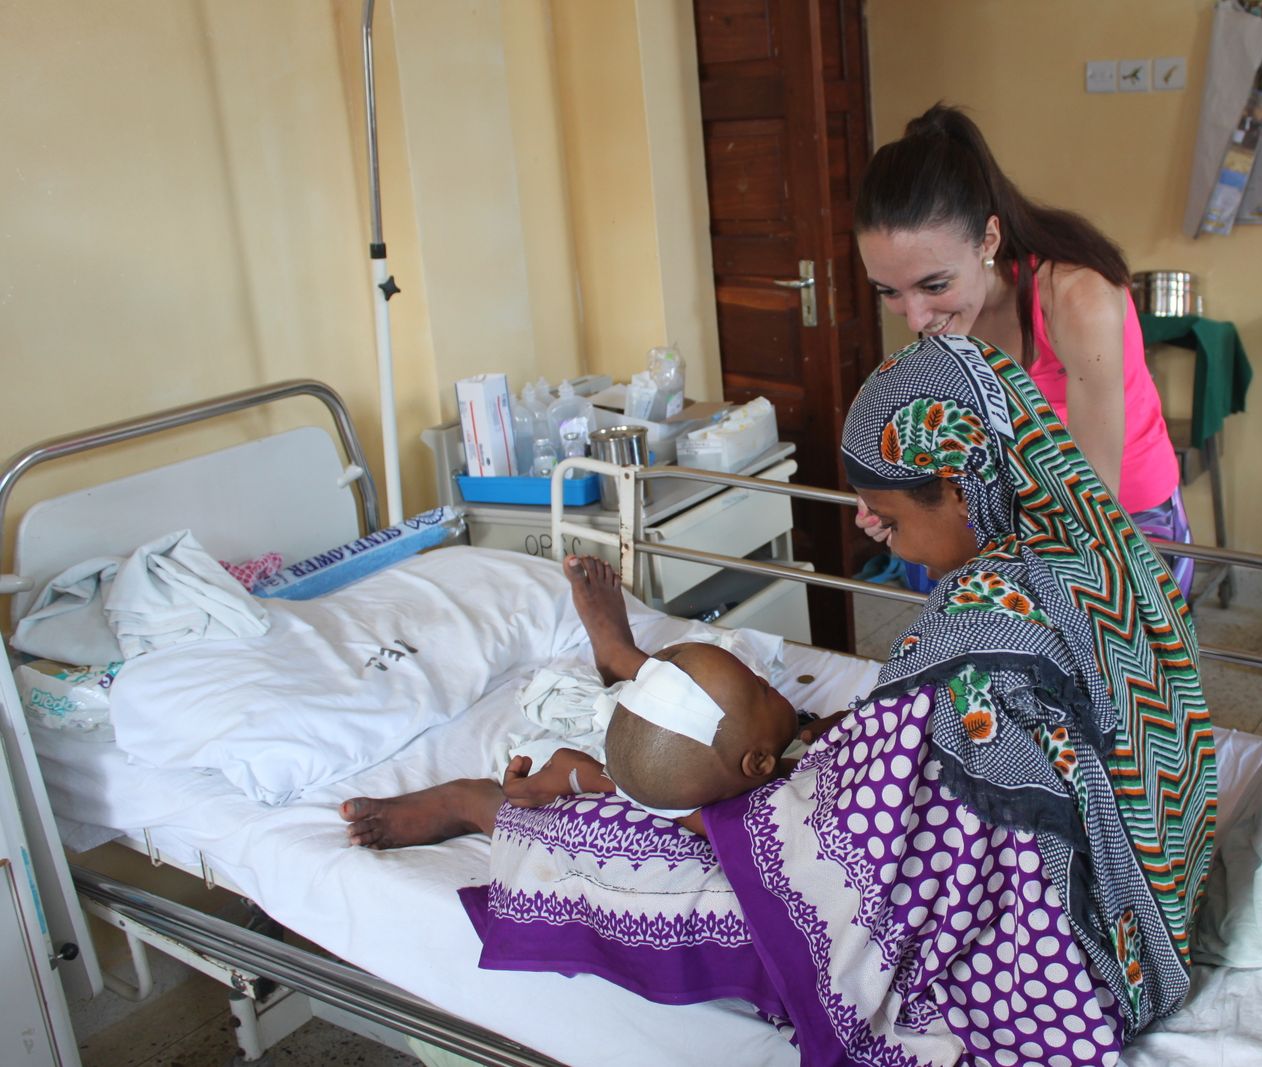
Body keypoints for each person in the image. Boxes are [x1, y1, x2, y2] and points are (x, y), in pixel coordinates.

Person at [343, 337, 1215, 1065]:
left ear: (958, 486)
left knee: (669, 880)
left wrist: (734, 809)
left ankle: (492, 806)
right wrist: (836, 749)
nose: (870, 529)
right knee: (726, 778)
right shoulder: (1099, 552)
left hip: (1072, 955)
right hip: (1150, 923)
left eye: (886, 516)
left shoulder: (977, 636)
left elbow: (863, 844)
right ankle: (620, 679)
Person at [852, 103, 1194, 595]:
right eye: (889, 291)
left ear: (988, 240)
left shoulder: (1078, 299)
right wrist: (896, 502)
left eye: (934, 285)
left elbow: (1095, 502)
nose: (915, 319)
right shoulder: (944, 312)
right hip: (1012, 512)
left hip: (1122, 514)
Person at [339, 555, 800, 846]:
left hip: (617, 796)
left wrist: (578, 775)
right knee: (560, 839)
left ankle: (625, 666)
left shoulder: (759, 805)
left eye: (760, 685)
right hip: (629, 788)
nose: (766, 682)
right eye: (762, 687)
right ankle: (622, 660)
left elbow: (617, 786)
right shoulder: (749, 805)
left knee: (589, 826)